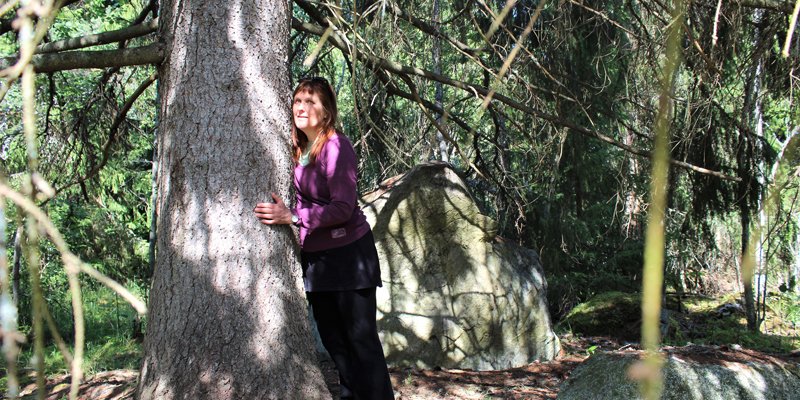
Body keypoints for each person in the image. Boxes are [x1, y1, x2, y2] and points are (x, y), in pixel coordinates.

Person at [253, 77, 394, 400]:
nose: (301, 108)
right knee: (334, 342)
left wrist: (293, 217)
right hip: (317, 262)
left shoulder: (336, 146)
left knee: (361, 342)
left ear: (327, 110)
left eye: (310, 102)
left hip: (349, 257)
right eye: (297, 102)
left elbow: (343, 207)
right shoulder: (297, 148)